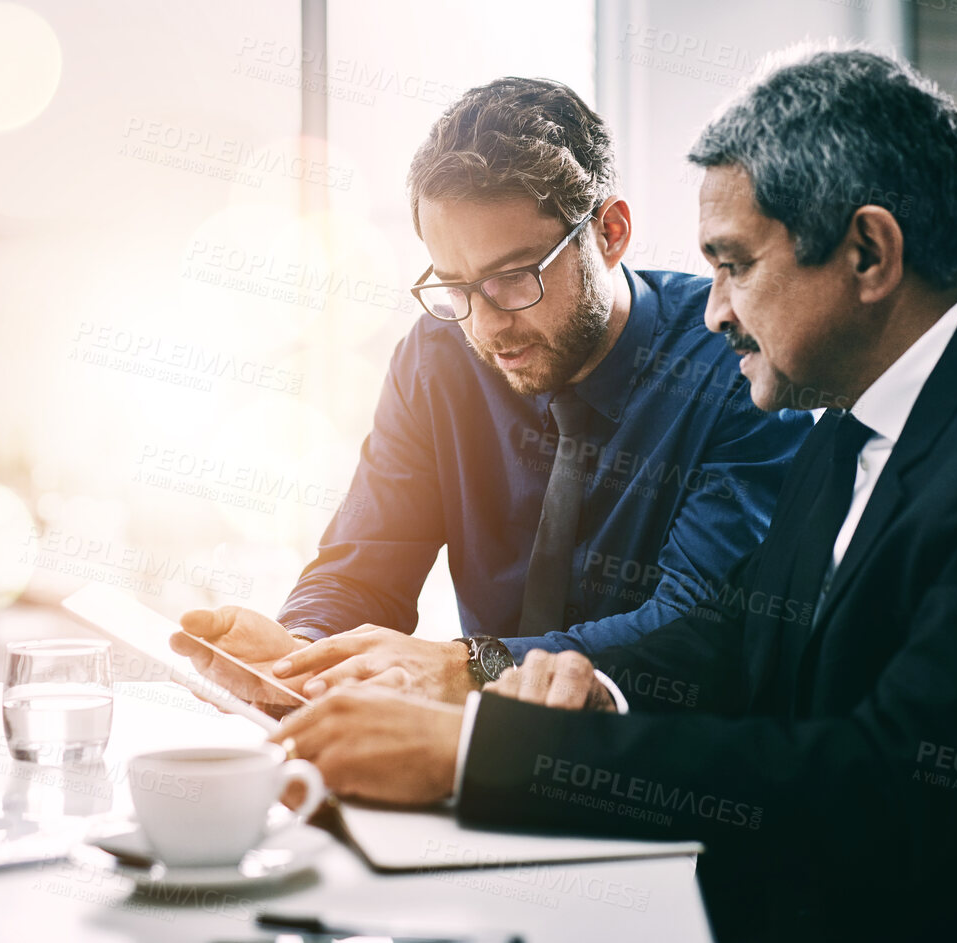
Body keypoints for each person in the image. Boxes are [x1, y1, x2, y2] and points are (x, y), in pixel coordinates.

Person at [269, 46, 957, 942]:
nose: (709, 311)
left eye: (735, 266)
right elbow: (736, 641)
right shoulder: (861, 417)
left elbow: (886, 794)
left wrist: (485, 754)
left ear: (869, 255)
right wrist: (583, 690)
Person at [171, 78, 810, 710]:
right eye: (455, 286)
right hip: (467, 764)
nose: (485, 325)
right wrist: (298, 651)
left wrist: (473, 667)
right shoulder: (437, 356)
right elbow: (363, 567)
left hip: (651, 773)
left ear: (610, 233)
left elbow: (696, 629)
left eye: (513, 277)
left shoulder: (738, 362)